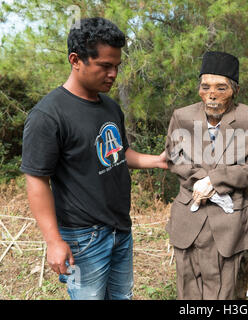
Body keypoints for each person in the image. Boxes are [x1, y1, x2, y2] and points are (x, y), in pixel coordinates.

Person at [21, 17, 167, 300]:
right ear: (76, 60)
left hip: (120, 228)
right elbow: (37, 180)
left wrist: (158, 161)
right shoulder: (48, 115)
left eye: (116, 66)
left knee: (122, 297)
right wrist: (53, 241)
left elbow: (119, 153)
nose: (113, 74)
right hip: (82, 239)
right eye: (104, 66)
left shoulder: (110, 106)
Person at [165, 51, 248, 299]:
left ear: (235, 90)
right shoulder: (182, 116)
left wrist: (214, 180)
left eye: (221, 88)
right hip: (189, 217)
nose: (211, 95)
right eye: (205, 87)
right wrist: (200, 179)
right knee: (188, 288)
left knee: (225, 290)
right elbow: (173, 156)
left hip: (228, 222)